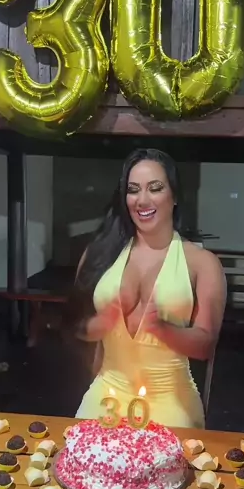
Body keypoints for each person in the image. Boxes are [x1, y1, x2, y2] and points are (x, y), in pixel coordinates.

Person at [71, 148, 226, 428]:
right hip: (107, 393)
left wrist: (163, 329)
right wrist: (98, 325)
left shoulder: (202, 262)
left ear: (174, 196)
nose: (142, 200)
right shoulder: (98, 254)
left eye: (155, 188)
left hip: (170, 400)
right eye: (133, 190)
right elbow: (76, 325)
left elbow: (206, 345)